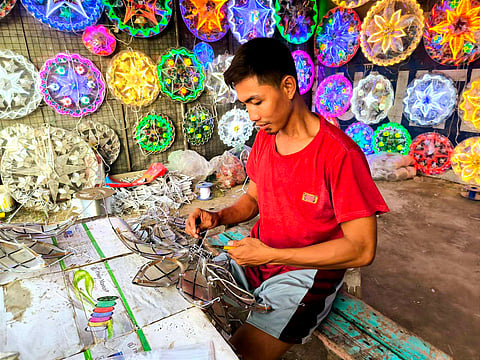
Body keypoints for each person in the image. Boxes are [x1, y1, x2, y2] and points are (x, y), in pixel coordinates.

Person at [186, 37, 389, 360]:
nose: (252, 116)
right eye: (246, 105)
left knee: (240, 353)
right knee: (185, 291)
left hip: (303, 275)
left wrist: (273, 253)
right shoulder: (267, 138)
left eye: (256, 101)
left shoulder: (339, 156)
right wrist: (218, 217)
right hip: (258, 257)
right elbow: (253, 199)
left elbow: (362, 249)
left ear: (289, 86)